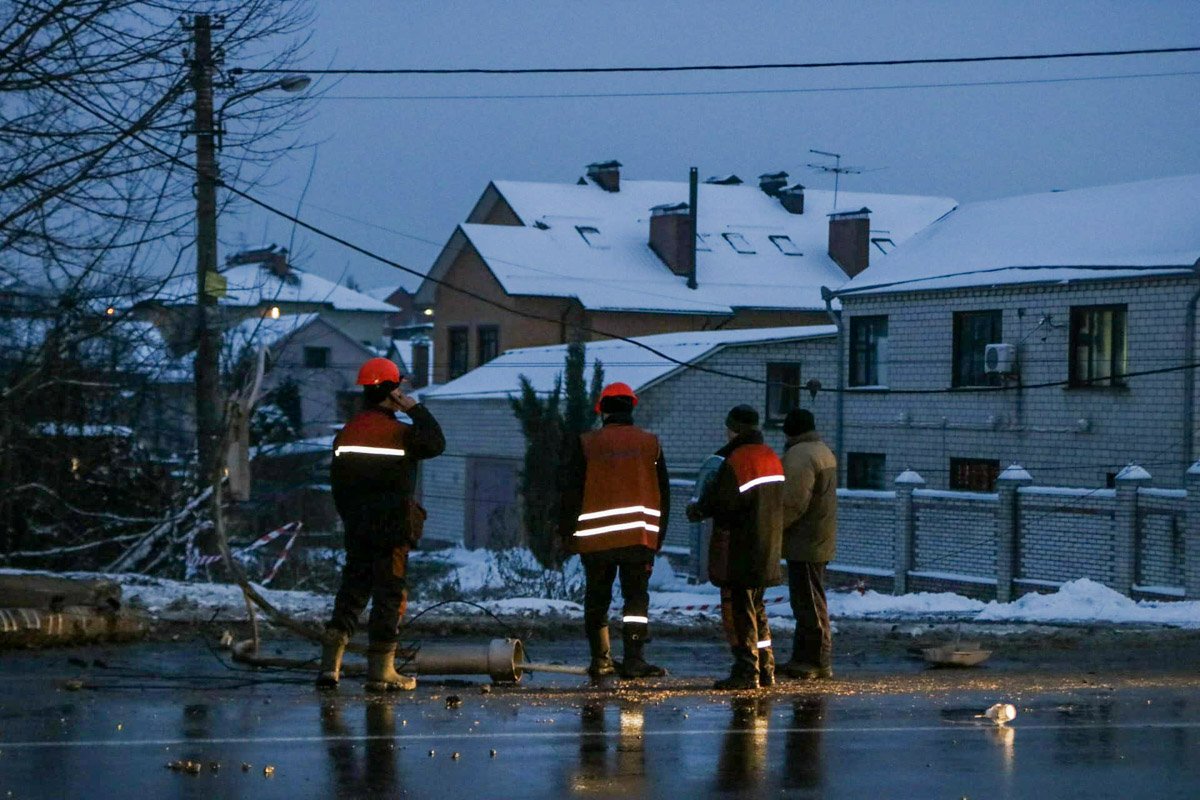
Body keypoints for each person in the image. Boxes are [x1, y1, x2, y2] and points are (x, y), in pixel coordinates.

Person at [317, 357, 445, 692]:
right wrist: (415, 408)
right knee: (389, 595)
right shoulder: (401, 434)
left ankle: (330, 667)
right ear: (391, 393)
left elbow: (337, 485)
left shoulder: (347, 432)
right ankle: (381, 672)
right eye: (399, 387)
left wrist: (351, 518)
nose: (403, 391)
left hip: (356, 526)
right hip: (391, 530)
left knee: (352, 592)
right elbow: (435, 443)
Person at [560, 382, 670, 679]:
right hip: (639, 539)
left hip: (596, 541)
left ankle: (601, 659)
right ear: (631, 408)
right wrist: (657, 537)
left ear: (602, 411)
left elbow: (570, 492)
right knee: (636, 599)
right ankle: (634, 660)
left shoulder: (587, 443)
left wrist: (566, 533)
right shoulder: (650, 443)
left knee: (597, 598)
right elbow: (664, 492)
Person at [688, 405, 785, 690]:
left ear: (734, 430)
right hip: (768, 547)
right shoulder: (771, 458)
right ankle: (766, 667)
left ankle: (746, 670)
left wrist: (698, 509)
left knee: (742, 611)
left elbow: (723, 503)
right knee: (758, 608)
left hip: (742, 547)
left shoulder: (736, 461)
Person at [778, 408, 837, 680]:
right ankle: (804, 659)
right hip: (817, 537)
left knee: (808, 602)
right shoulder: (821, 450)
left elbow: (793, 502)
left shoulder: (800, 456)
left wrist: (774, 529)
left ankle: (815, 660)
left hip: (805, 540)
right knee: (808, 600)